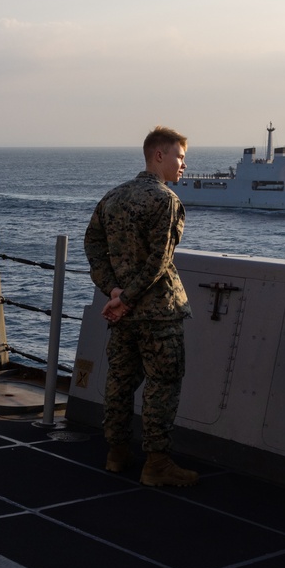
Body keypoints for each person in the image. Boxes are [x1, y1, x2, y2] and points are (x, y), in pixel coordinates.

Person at [83, 126, 197, 487]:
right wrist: (127, 296)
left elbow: (93, 248)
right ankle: (157, 464)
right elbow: (160, 262)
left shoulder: (113, 198)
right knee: (162, 384)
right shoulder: (165, 200)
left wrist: (113, 292)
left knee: (119, 382)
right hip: (158, 313)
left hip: (124, 314)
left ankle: (116, 453)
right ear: (159, 155)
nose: (183, 166)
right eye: (179, 157)